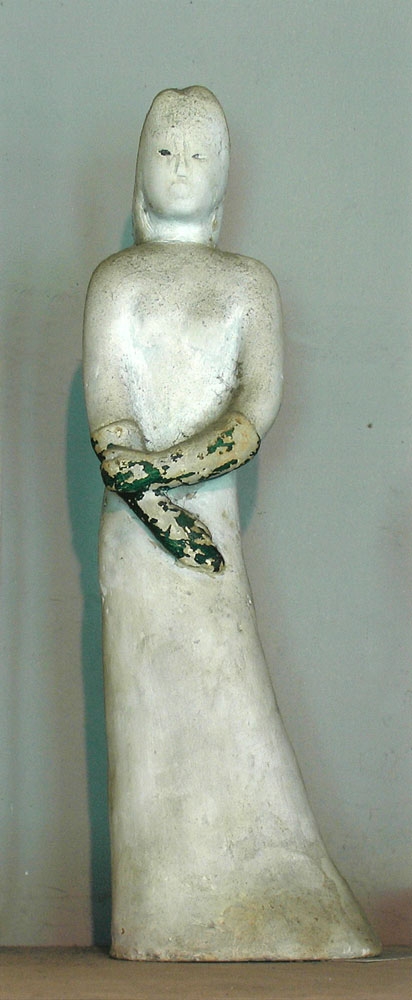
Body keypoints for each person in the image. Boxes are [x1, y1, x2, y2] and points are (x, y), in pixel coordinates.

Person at [83, 86, 380, 960]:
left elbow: (255, 409)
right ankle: (159, 910)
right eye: (164, 152)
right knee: (149, 715)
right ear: (140, 167)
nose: (180, 168)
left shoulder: (249, 286)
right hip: (139, 543)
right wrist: (150, 502)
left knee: (229, 693)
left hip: (205, 534)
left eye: (198, 154)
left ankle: (273, 886)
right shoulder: (116, 282)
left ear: (225, 175)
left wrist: (167, 481)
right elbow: (109, 410)